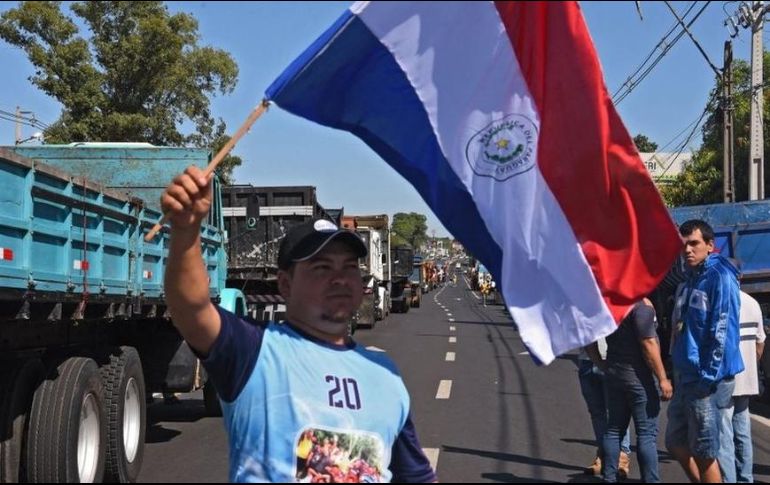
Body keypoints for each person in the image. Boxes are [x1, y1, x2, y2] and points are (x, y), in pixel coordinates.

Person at [161, 166, 437, 483]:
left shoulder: (385, 375)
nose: (339, 278)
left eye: (349, 267)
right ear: (286, 284)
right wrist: (185, 231)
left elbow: (416, 477)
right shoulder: (254, 351)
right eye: (321, 267)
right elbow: (191, 307)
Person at [665, 219, 743, 483]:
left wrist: (707, 377)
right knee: (675, 440)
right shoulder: (691, 278)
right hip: (686, 375)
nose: (687, 250)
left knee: (705, 450)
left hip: (707, 379)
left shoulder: (719, 277)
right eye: (683, 244)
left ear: (710, 245)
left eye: (694, 243)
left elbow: (721, 330)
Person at [593, 298, 672, 483]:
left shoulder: (609, 306)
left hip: (615, 374)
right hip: (640, 378)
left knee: (614, 430)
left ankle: (609, 476)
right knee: (646, 434)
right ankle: (651, 480)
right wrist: (662, 378)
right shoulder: (642, 309)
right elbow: (648, 345)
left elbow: (589, 340)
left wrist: (601, 363)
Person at [718, 288, 765, 483]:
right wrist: (751, 365)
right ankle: (746, 478)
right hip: (746, 379)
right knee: (743, 431)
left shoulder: (720, 302)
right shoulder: (752, 303)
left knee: (724, 434)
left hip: (725, 379)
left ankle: (729, 479)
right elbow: (760, 341)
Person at [579, 339, 632, 479]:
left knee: (616, 412)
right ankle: (603, 456)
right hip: (586, 360)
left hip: (611, 359)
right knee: (596, 413)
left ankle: (622, 457)